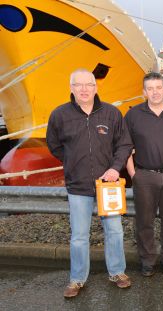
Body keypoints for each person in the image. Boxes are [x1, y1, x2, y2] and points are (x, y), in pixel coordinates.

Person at [46, 69, 133, 298]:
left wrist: (115, 168)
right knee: (78, 235)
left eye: (88, 85)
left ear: (96, 87)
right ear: (71, 87)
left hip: (108, 185)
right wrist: (72, 162)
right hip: (78, 186)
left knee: (114, 230)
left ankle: (117, 272)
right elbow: (54, 145)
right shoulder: (59, 115)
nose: (84, 89)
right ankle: (77, 279)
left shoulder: (112, 114)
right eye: (79, 85)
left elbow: (124, 145)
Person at [125, 72, 163, 277]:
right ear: (144, 92)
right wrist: (134, 174)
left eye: (158, 88)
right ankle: (147, 260)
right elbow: (125, 146)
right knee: (145, 220)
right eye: (150, 89)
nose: (155, 92)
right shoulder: (133, 115)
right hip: (144, 175)